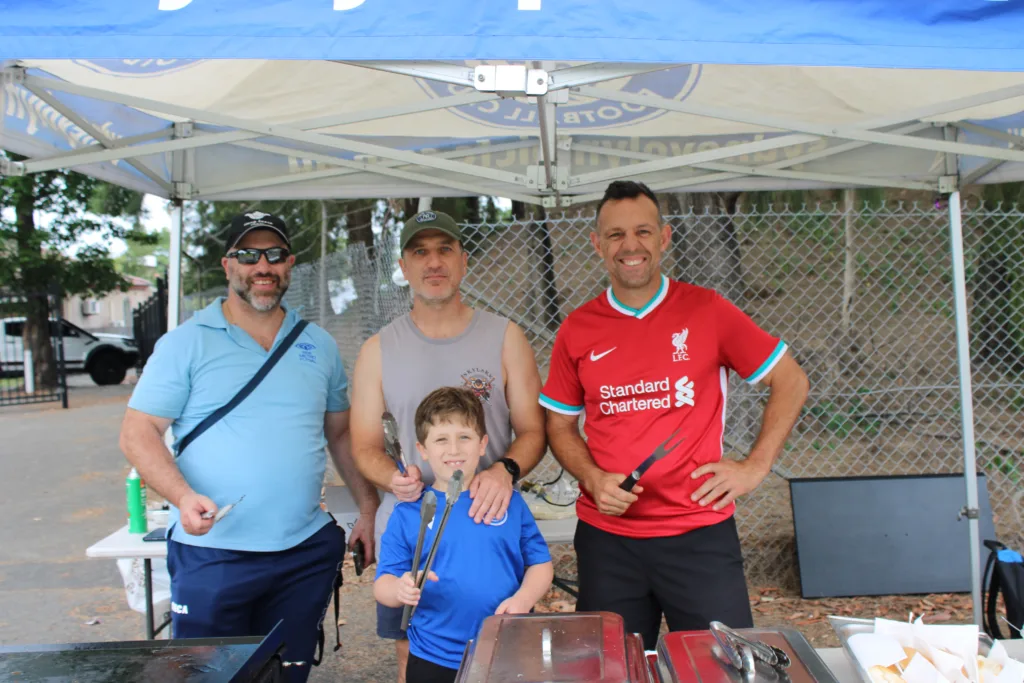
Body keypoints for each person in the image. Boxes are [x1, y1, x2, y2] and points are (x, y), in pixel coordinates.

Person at [540, 181, 810, 650]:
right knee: (615, 670)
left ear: (664, 238)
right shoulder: (578, 328)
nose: (630, 246)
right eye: (616, 234)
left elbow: (791, 380)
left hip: (698, 535)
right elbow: (559, 425)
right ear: (597, 244)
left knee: (723, 667)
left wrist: (755, 466)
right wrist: (591, 476)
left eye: (643, 232)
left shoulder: (708, 309)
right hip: (609, 541)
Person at [118, 211, 379, 682]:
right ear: (228, 265)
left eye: (274, 254)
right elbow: (137, 433)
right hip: (213, 554)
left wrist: (368, 508)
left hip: (300, 552)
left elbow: (339, 435)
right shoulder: (185, 344)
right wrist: (181, 497)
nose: (263, 265)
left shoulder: (317, 345)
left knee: (286, 673)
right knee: (209, 676)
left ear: (290, 264)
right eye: (248, 254)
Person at [349, 210, 546, 682]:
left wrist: (505, 470)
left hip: (487, 516)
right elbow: (363, 446)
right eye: (420, 251)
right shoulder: (378, 349)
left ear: (463, 261)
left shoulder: (506, 337)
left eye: (444, 250)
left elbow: (534, 431)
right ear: (403, 264)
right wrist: (395, 479)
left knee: (500, 658)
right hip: (423, 523)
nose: (433, 262)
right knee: (410, 652)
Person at [375, 387, 554, 683]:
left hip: (505, 650)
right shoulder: (408, 514)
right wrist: (400, 589)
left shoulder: (508, 501)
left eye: (465, 437)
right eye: (441, 440)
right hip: (434, 655)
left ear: (483, 444)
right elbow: (383, 584)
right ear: (422, 449)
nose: (454, 450)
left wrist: (524, 599)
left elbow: (540, 564)